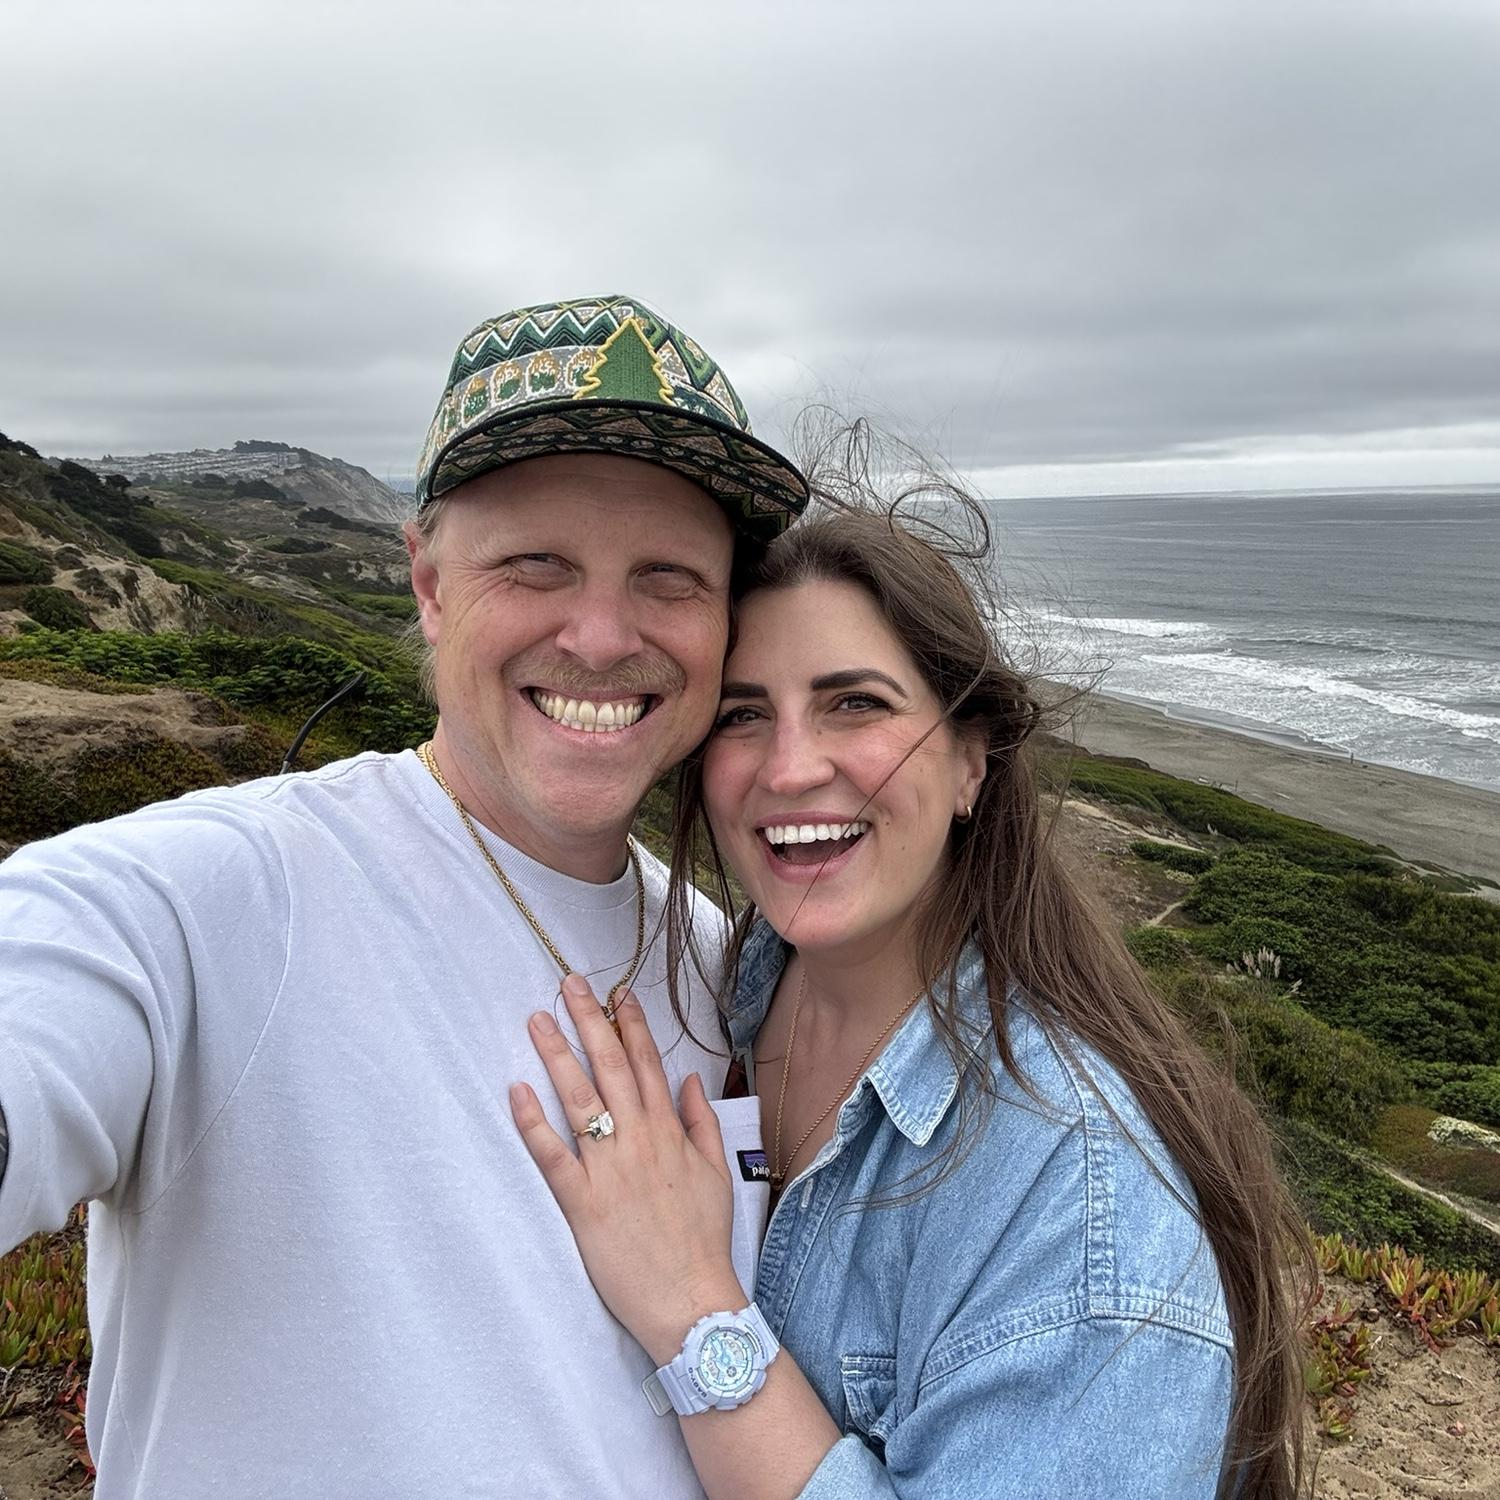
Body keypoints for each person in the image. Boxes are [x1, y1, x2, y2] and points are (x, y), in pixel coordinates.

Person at [0, 294, 807, 1498]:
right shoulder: (214, 892)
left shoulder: (731, 965)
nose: (601, 634)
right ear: (428, 584)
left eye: (670, 578)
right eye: (537, 565)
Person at [513, 446, 1308, 1499]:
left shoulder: (1080, 1206)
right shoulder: (726, 988)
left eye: (855, 705)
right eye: (745, 714)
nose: (791, 766)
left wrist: (695, 1310)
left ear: (971, 760)